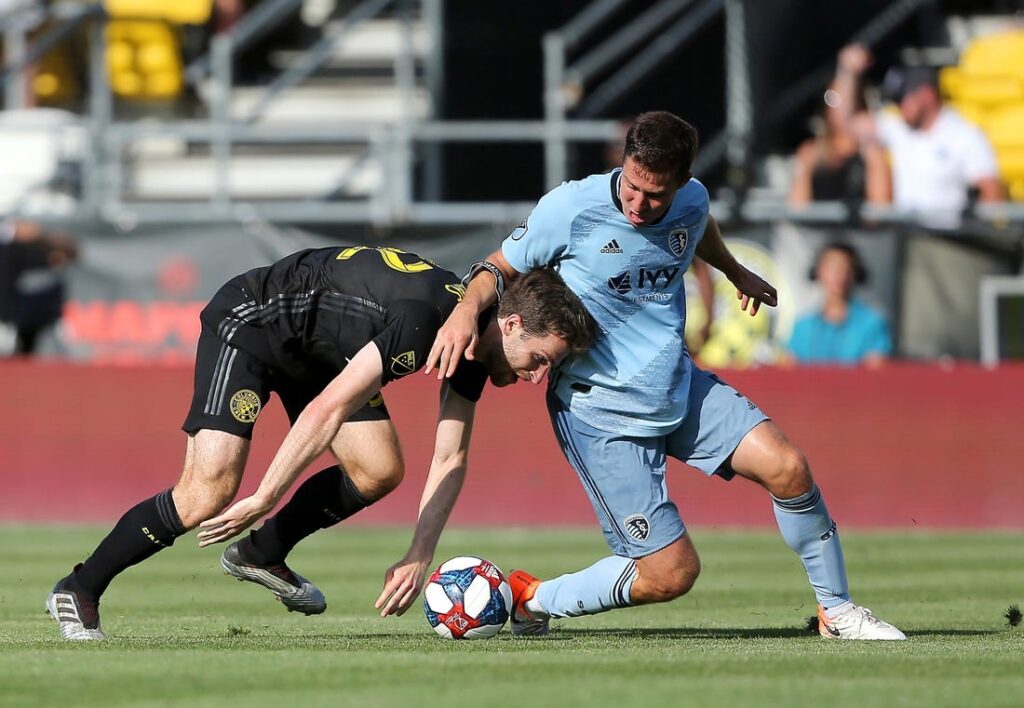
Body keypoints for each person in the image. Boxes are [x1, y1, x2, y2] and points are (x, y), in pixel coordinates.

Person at [426, 111, 906, 640]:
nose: (637, 204)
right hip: (599, 412)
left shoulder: (693, 199)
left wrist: (732, 268)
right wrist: (464, 312)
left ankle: (836, 612)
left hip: (676, 384)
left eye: (654, 195)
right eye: (631, 186)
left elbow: (697, 225)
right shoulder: (570, 207)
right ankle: (532, 599)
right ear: (624, 166)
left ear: (680, 182)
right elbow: (498, 266)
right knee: (671, 574)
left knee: (789, 468)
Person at [46, 245, 595, 641]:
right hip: (254, 322)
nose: (537, 377)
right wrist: (265, 494)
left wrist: (419, 554)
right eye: (540, 360)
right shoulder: (427, 324)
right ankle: (79, 587)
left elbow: (450, 455)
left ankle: (261, 553)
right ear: (513, 324)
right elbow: (326, 409)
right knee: (208, 492)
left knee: (379, 469)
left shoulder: (473, 342)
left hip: (322, 350)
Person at [833, 44, 1004, 227]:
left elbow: (990, 191)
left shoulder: (965, 135)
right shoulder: (897, 128)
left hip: (950, 240)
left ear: (926, 94)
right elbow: (845, 123)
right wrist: (847, 73)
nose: (898, 106)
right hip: (907, 237)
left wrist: (974, 234)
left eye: (902, 98)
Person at [787, 242, 892, 367]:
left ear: (855, 274)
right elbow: (790, 368)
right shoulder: (803, 326)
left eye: (845, 269)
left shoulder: (872, 323)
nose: (840, 276)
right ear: (819, 272)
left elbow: (876, 369)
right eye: (833, 269)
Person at [787, 83, 891, 206]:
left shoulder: (872, 153)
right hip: (818, 224)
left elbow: (880, 209)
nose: (842, 109)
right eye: (831, 99)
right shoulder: (811, 152)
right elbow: (797, 207)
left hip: (857, 225)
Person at [0, 219, 78, 356]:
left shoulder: (46, 249)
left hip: (40, 310)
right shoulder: (12, 249)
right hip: (18, 310)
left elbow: (71, 252)